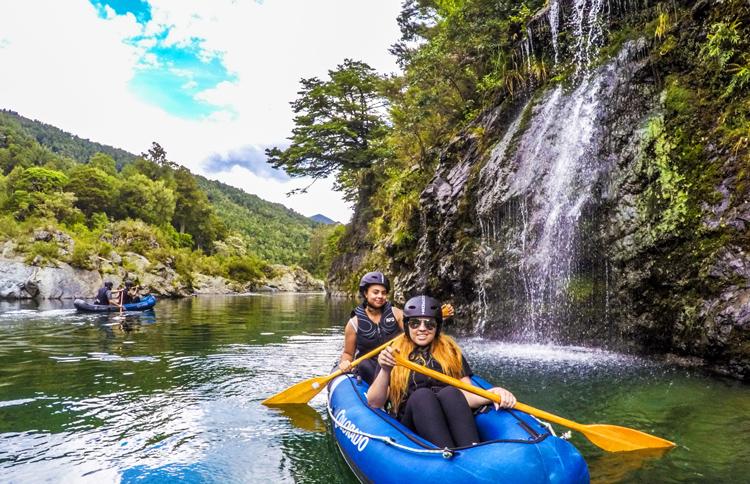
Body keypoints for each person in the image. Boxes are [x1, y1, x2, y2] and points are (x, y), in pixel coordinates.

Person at [367, 295, 517, 449]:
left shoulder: (450, 351)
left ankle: (471, 448)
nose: (422, 329)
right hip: (411, 421)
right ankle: (446, 453)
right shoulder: (393, 352)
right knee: (422, 395)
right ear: (406, 326)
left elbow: (467, 393)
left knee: (451, 392)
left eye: (429, 324)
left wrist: (493, 394)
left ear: (437, 327)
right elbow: (374, 402)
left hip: (446, 414)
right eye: (415, 323)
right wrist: (385, 370)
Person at [338, 272, 404, 385]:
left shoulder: (397, 314)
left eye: (383, 293)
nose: (380, 296)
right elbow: (348, 353)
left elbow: (414, 335)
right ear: (365, 293)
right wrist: (345, 363)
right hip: (370, 368)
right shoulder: (354, 323)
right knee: (364, 364)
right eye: (375, 292)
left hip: (396, 363)